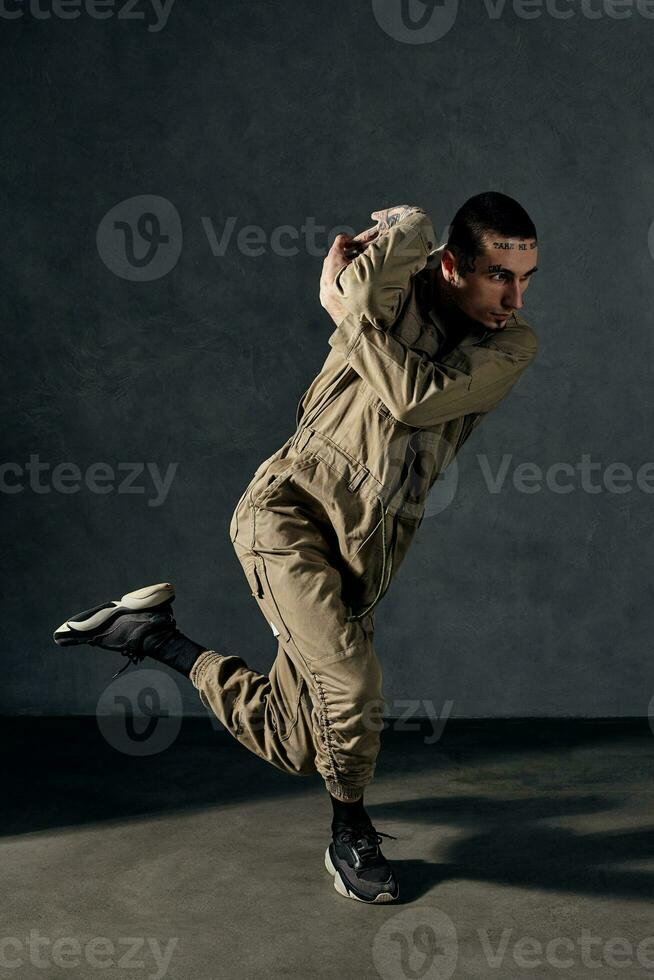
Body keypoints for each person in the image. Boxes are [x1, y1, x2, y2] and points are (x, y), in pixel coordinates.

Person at [53, 192, 540, 904]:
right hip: (285, 514)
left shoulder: (509, 345)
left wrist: (348, 322)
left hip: (364, 559)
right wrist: (406, 228)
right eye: (501, 275)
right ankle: (351, 831)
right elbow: (366, 280)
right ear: (453, 266)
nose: (515, 297)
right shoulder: (395, 293)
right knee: (354, 689)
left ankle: (154, 639)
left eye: (527, 279)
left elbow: (416, 400)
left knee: (298, 742)